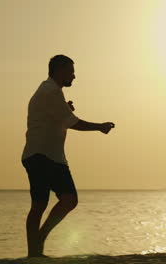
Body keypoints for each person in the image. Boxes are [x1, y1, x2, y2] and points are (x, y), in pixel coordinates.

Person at [21, 55, 115, 257]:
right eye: (71, 71)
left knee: (58, 201)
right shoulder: (50, 91)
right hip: (42, 155)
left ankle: (37, 246)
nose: (74, 75)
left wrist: (66, 110)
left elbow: (57, 118)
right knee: (50, 202)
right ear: (59, 70)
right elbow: (74, 123)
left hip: (47, 155)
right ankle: (36, 247)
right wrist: (100, 127)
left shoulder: (50, 92)